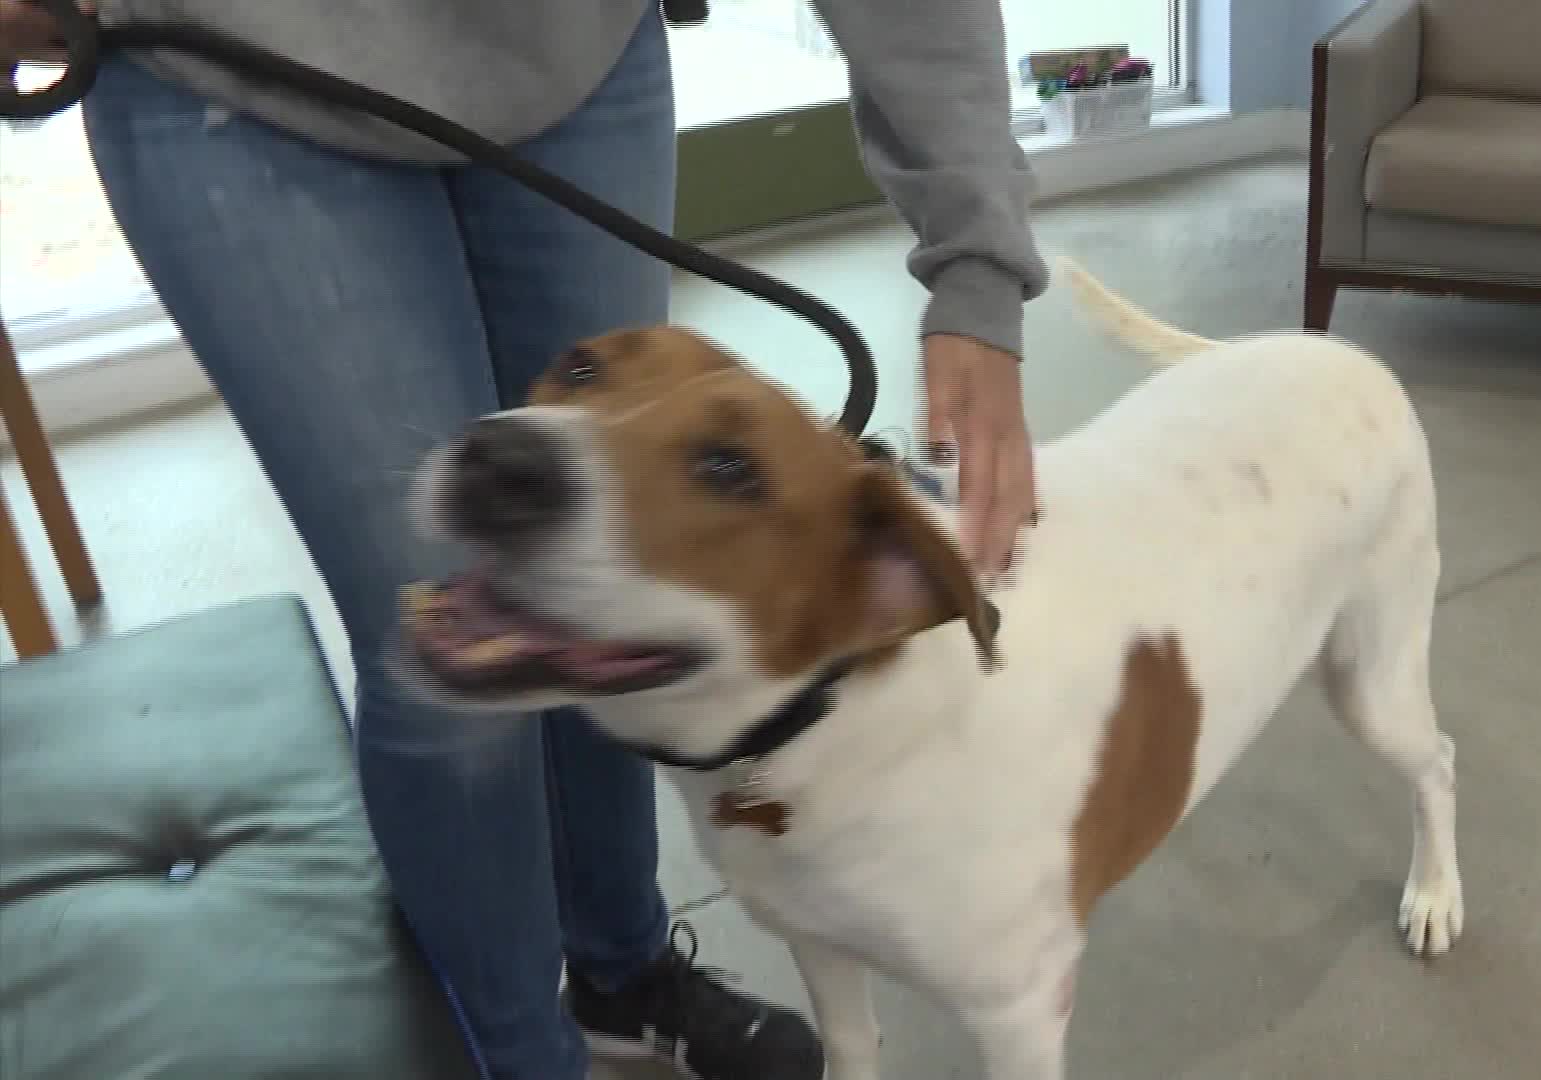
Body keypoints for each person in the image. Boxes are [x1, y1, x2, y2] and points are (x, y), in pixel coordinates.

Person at [2, 1, 1045, 1076]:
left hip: (571, 52)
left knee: (609, 604)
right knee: (442, 640)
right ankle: (516, 1050)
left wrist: (975, 260)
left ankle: (622, 969)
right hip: (232, 70)